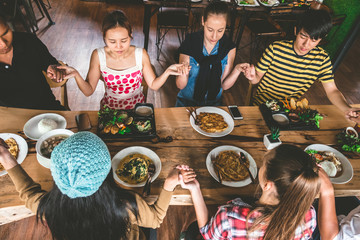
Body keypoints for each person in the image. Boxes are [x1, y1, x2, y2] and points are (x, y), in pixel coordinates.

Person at [0, 132, 196, 240]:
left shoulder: (50, 207)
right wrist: (170, 183)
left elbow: (27, 194)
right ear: (107, 172)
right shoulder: (125, 204)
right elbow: (155, 220)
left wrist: (6, 157)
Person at [181, 144, 321, 240]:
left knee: (192, 227)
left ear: (267, 185)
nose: (260, 167)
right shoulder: (309, 215)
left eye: (263, 165)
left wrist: (195, 189)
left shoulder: (229, 217)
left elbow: (207, 233)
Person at [240, 9, 359, 121]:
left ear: (322, 38)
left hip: (288, 112)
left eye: (314, 40)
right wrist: (252, 77)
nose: (306, 45)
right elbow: (256, 79)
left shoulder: (322, 60)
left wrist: (347, 109)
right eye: (303, 36)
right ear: (296, 30)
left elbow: (332, 90)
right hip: (262, 107)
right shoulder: (275, 49)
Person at [60, 10, 189, 110]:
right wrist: (76, 74)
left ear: (131, 33)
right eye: (112, 41)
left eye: (124, 40)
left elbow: (153, 85)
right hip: (109, 110)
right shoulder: (98, 55)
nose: (118, 46)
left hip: (137, 110)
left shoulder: (140, 54)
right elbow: (88, 91)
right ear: (104, 38)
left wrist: (167, 72)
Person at [175, 1, 245, 107]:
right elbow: (180, 85)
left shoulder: (229, 48)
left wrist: (237, 69)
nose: (214, 36)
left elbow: (224, 85)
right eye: (210, 29)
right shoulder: (190, 42)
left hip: (214, 104)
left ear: (226, 26)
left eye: (220, 30)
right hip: (186, 103)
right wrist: (183, 74)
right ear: (203, 21)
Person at [0, 13, 66, 110]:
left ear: (9, 25)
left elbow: (54, 65)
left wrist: (56, 71)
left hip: (47, 110)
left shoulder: (28, 41)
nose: (3, 44)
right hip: (10, 118)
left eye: (5, 33)